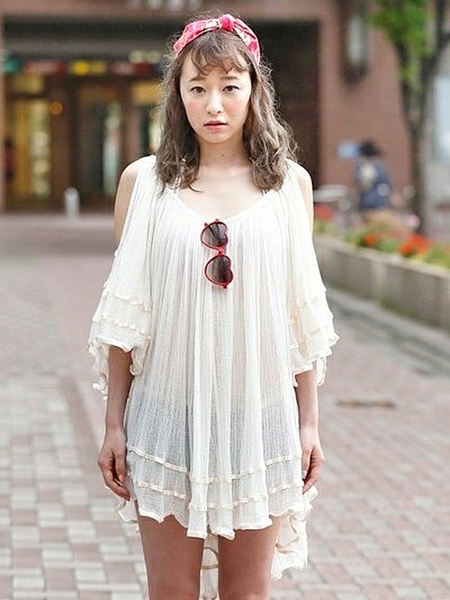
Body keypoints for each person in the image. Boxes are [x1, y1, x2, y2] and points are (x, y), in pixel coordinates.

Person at [88, 13, 338, 600]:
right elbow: (128, 315)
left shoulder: (289, 186)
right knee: (171, 591)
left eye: (230, 86)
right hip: (166, 415)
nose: (215, 104)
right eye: (197, 88)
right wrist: (113, 424)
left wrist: (307, 423)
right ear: (177, 95)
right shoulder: (144, 184)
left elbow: (298, 316)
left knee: (246, 593)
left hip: (260, 417)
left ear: (254, 89)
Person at [354, 139, 393, 216]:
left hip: (367, 202)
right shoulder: (379, 167)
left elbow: (358, 182)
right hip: (377, 202)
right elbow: (387, 183)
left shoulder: (361, 167)